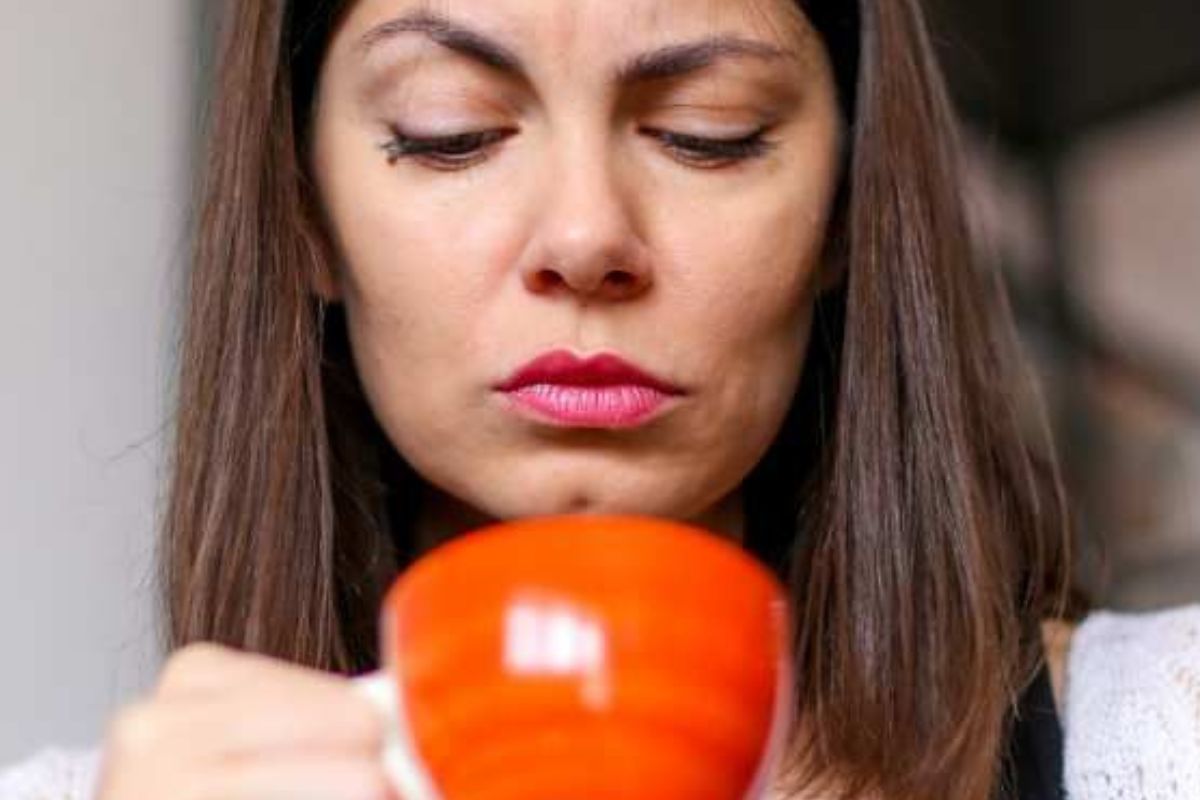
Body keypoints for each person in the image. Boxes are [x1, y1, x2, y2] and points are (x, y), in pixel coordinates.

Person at [4, 0, 1198, 798]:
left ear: (846, 203)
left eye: (706, 133)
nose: (586, 236)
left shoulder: (1161, 735)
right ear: (304, 208)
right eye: (451, 132)